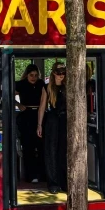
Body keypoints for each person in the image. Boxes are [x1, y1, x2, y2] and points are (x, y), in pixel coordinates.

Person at [37, 62, 67, 193]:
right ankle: (53, 183)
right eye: (59, 73)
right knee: (51, 151)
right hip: (52, 120)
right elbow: (42, 106)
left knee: (64, 151)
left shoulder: (68, 86)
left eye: (64, 73)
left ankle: (64, 182)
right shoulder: (47, 87)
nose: (62, 75)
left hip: (65, 120)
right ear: (54, 73)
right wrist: (39, 124)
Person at [15, 64, 46, 183]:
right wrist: (18, 105)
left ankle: (42, 175)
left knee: (41, 147)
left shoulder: (41, 84)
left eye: (36, 75)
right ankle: (30, 176)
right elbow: (7, 94)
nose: (33, 77)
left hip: (40, 115)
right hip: (26, 115)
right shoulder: (21, 84)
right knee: (28, 147)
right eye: (31, 75)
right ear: (26, 75)